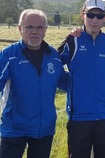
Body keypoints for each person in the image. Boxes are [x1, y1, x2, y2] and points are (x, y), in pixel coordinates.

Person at [0, 9, 67, 158]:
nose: (34, 31)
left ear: (45, 30)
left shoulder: (53, 56)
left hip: (44, 129)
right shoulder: (9, 55)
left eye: (39, 27)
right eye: (29, 27)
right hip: (14, 129)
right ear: (20, 29)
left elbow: (63, 80)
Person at [57, 0, 105, 158]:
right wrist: (69, 85)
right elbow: (53, 66)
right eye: (90, 15)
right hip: (79, 116)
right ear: (82, 15)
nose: (95, 20)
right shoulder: (73, 40)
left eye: (100, 16)